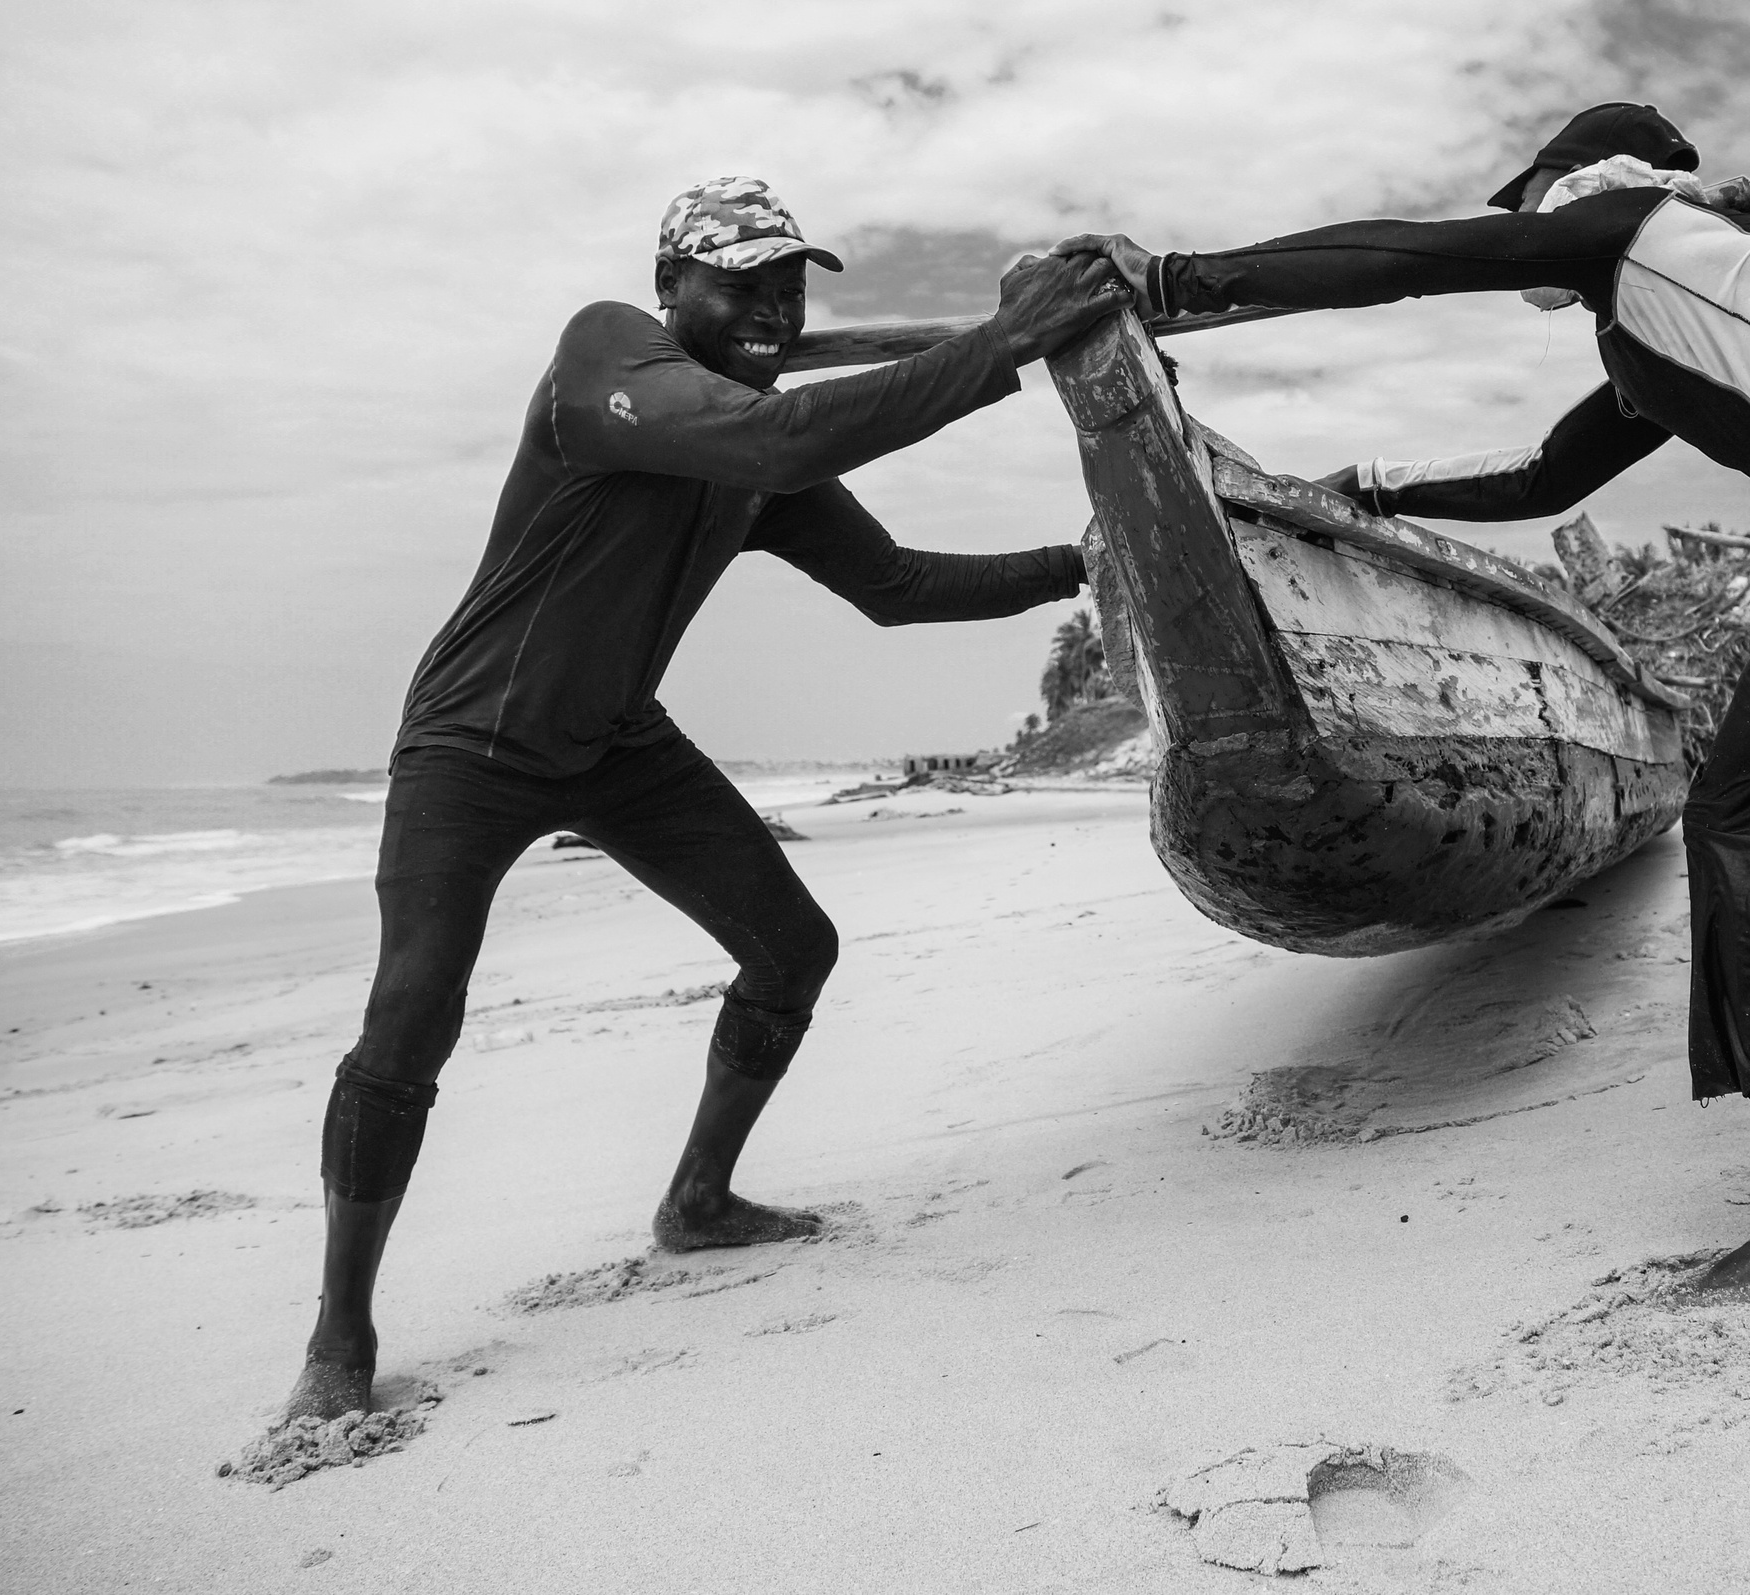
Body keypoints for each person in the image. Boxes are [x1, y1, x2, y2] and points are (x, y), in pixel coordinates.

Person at [1060, 103, 1750, 1304]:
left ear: (1566, 186)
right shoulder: (1666, 328)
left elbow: (1414, 259)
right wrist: (1367, 484)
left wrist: (1178, 279)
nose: (1521, 229)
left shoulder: (1626, 225)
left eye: (1527, 204)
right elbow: (1544, 477)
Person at [284, 177, 1129, 1419]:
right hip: (472, 744)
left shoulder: (753, 456)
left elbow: (892, 584)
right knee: (411, 1017)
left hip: (619, 744)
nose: (774, 309)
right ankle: (337, 1341)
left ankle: (697, 1202)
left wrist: (1080, 563)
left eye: (791, 288)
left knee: (793, 948)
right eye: (742, 283)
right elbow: (778, 436)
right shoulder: (600, 355)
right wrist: (999, 346)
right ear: (671, 283)